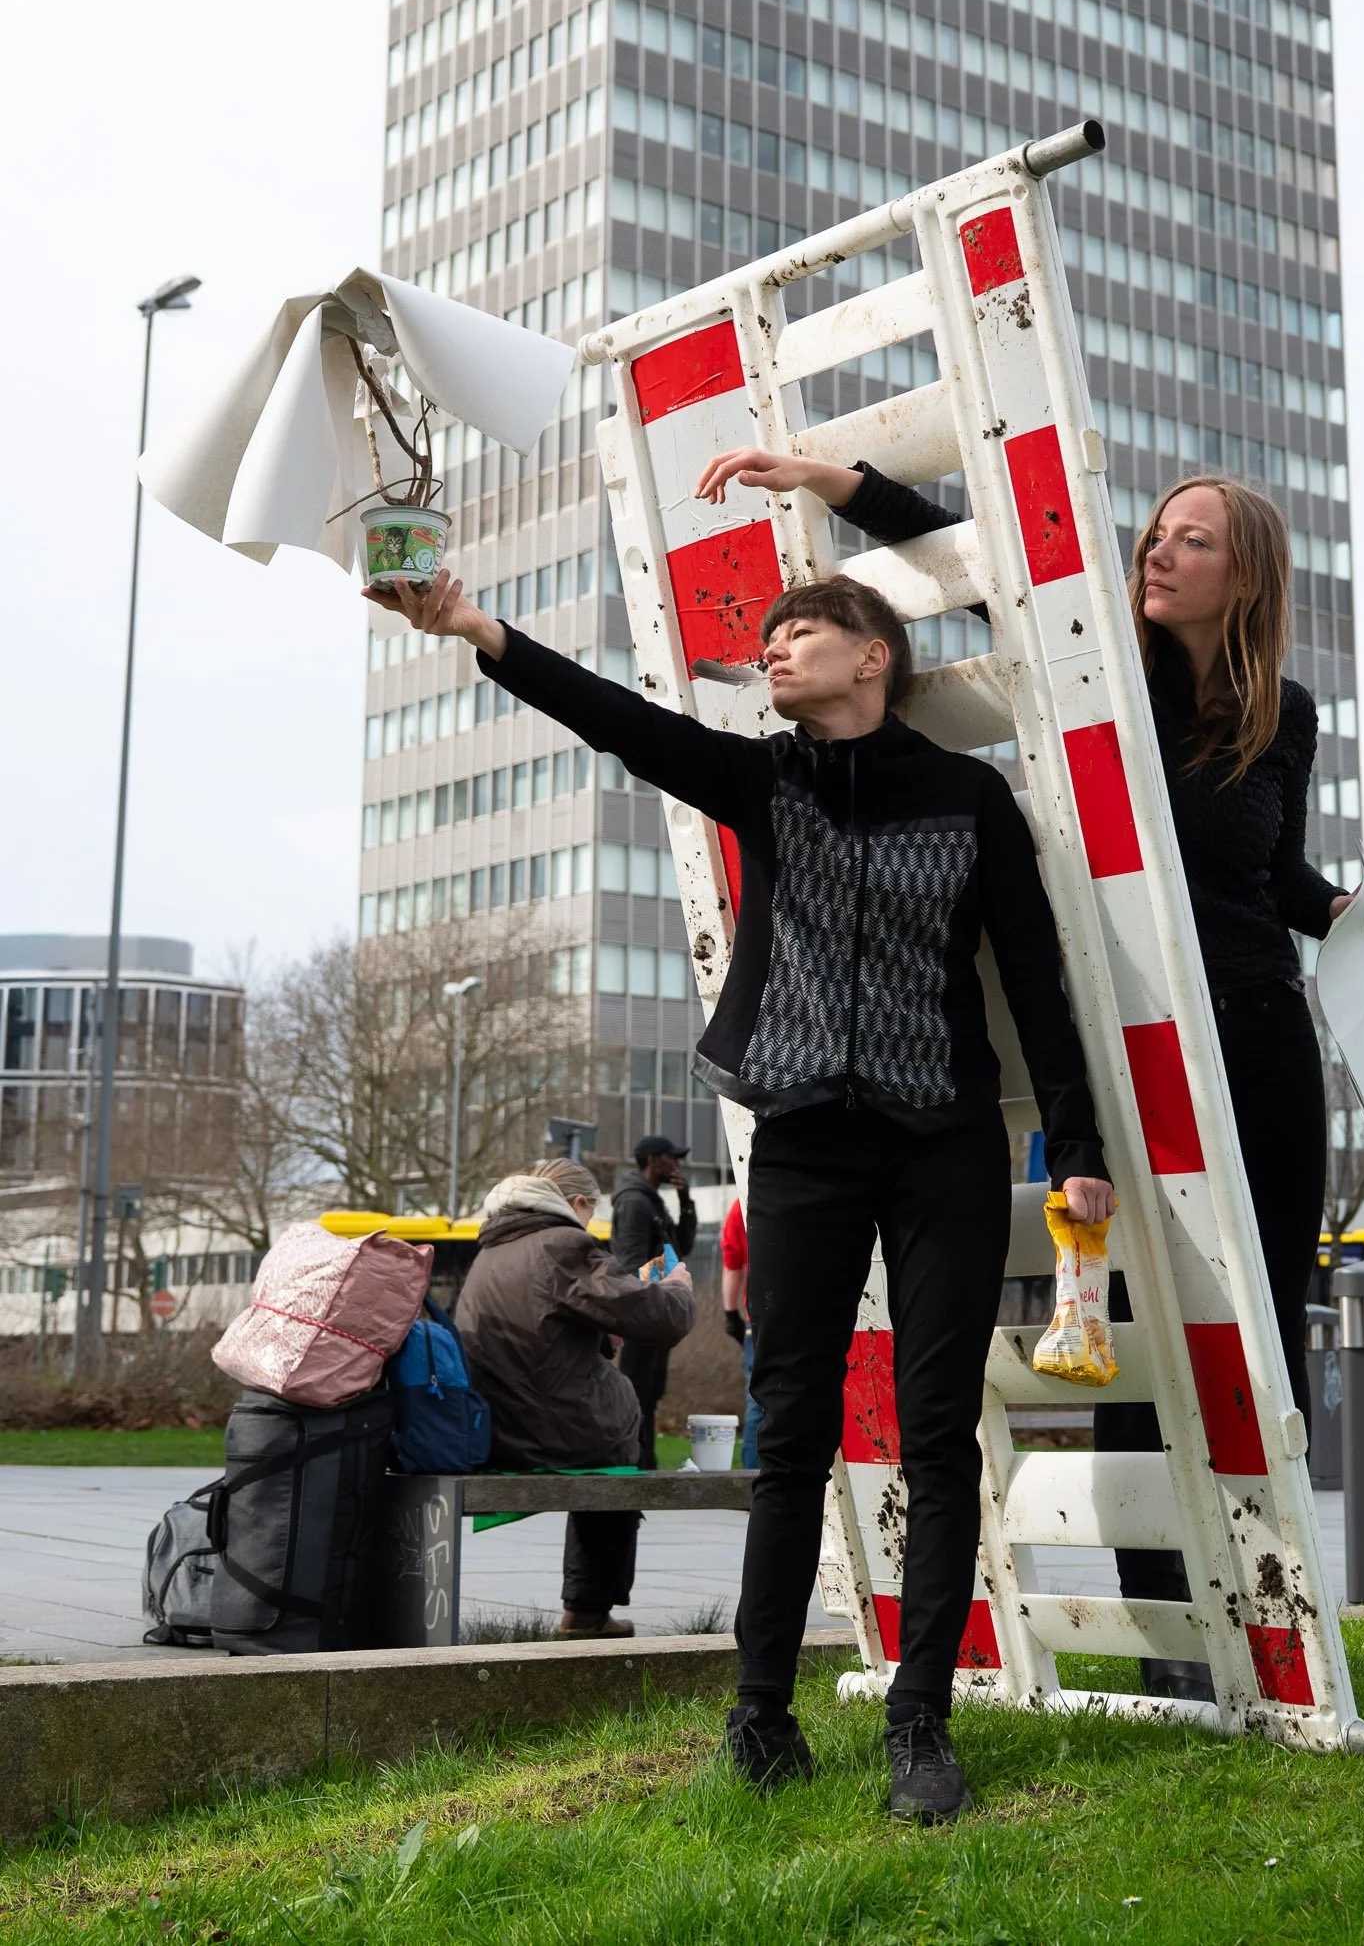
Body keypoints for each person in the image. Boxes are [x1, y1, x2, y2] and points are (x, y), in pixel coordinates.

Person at [367, 559, 1111, 1826]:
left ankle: (919, 1724)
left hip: (943, 1144)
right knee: (791, 1431)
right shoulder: (765, 780)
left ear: (872, 655)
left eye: (798, 630)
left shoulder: (969, 797)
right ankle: (759, 1715)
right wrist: (476, 628)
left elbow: (1035, 980)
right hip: (806, 1141)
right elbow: (618, 719)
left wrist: (1075, 1144)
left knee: (937, 1429)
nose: (772, 648)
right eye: (767, 637)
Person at [695, 449, 1364, 1702]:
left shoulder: (1280, 713)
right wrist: (824, 476)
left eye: (1190, 538)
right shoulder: (1100, 661)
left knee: (1262, 1316)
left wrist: (1345, 906)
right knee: (1141, 1318)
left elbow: (1269, 874)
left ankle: (1275, 1619)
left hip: (1259, 1029)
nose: (1156, 549)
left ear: (1245, 575)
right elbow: (963, 551)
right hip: (1141, 1043)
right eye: (1156, 532)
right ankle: (1168, 1628)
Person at [452, 1157, 695, 1635]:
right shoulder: (562, 1244)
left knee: (607, 1431)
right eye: (591, 1212)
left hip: (493, 1426)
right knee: (617, 1449)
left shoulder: (494, 1248)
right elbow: (662, 1319)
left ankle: (587, 1611)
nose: (590, 1224)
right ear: (577, 1202)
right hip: (547, 1429)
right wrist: (676, 1289)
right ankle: (588, 1613)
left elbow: (545, 1333)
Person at [608, 1136, 699, 1469]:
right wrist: (660, 1288)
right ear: (652, 1160)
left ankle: (646, 1463)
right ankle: (637, 1463)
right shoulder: (634, 1202)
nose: (677, 1164)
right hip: (642, 1312)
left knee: (650, 1392)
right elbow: (629, 1262)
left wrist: (685, 1199)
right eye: (671, 1157)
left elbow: (683, 1245)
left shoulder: (651, 1201)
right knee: (638, 1392)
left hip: (657, 1310)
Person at [720, 1193, 763, 1469]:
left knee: (757, 1398)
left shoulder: (742, 1204)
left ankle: (751, 1478)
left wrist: (730, 1313)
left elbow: (731, 1265)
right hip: (797, 1313)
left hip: (757, 1316)